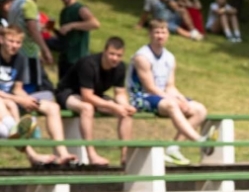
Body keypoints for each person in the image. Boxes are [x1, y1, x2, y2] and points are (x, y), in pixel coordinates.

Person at [129, 20, 211, 165]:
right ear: (150, 34)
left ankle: (173, 148)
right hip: (141, 97)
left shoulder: (170, 57)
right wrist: (174, 101)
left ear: (168, 35)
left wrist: (181, 98)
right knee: (172, 105)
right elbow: (150, 88)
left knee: (200, 110)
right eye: (157, 32)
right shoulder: (142, 57)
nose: (160, 36)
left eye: (163, 32)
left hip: (163, 97)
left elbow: (170, 86)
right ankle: (199, 140)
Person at [56, 35, 132, 167]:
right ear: (104, 52)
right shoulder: (89, 64)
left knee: (125, 112)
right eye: (112, 54)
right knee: (87, 108)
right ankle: (91, 155)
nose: (115, 58)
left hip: (94, 94)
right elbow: (87, 96)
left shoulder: (120, 67)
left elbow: (120, 93)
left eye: (119, 55)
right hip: (68, 93)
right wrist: (113, 106)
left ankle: (125, 155)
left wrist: (125, 105)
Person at [0, 25, 71, 165]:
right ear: (1, 40)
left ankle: (63, 153)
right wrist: (19, 99)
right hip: (5, 101)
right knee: (8, 103)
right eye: (11, 41)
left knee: (53, 107)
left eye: (18, 42)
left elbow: (17, 88)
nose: (14, 46)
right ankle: (31, 154)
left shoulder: (20, 59)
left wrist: (28, 99)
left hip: (11, 99)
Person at [7, 0, 53, 77]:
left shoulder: (15, 2)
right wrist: (45, 50)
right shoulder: (29, 3)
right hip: (28, 52)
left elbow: (20, 23)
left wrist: (39, 27)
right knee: (31, 84)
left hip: (15, 49)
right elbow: (32, 29)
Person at [53, 0, 100, 71]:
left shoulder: (80, 8)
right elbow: (66, 36)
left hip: (78, 59)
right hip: (65, 58)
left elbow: (95, 24)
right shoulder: (64, 11)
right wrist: (52, 29)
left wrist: (72, 25)